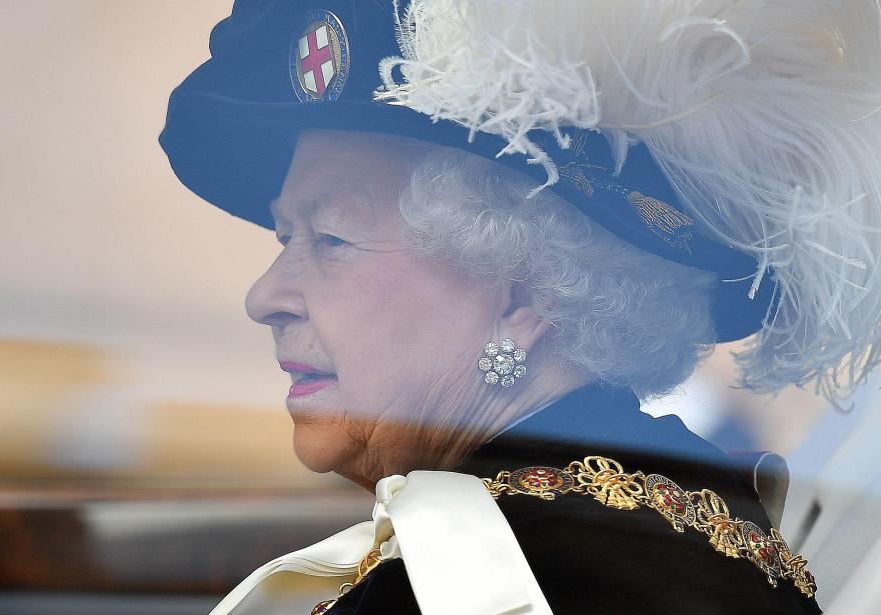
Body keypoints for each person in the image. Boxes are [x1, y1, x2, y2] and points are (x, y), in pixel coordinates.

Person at [159, 1, 881, 613]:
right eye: (287, 235)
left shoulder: (487, 582)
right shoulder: (679, 523)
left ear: (522, 292)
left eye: (333, 237)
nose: (265, 297)